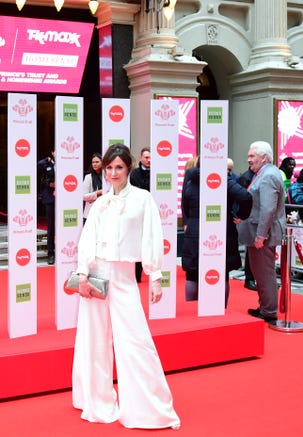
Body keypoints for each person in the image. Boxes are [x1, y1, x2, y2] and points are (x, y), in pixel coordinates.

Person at [72, 144, 180, 430]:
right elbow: (87, 238)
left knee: (135, 341)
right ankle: (97, 399)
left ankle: (149, 409)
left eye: (118, 167)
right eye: (108, 168)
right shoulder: (100, 203)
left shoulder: (143, 199)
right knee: (94, 341)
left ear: (129, 168)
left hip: (123, 277)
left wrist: (155, 275)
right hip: (96, 275)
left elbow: (152, 237)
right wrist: (82, 273)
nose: (113, 173)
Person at [181, 158, 252, 305]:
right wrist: (241, 215)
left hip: (195, 231)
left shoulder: (191, 180)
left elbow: (185, 203)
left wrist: (189, 221)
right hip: (221, 230)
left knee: (193, 275)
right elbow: (245, 197)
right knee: (221, 274)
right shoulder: (222, 180)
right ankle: (221, 312)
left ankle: (192, 313)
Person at [237, 141, 287, 323]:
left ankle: (269, 311)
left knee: (264, 273)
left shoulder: (268, 176)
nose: (248, 159)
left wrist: (260, 235)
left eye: (252, 156)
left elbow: (268, 209)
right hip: (259, 232)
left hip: (263, 235)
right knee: (260, 273)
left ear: (264, 157)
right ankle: (265, 307)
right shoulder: (264, 174)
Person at [129, 146, 151, 283]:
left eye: (151, 157)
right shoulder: (134, 174)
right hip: (137, 214)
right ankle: (136, 275)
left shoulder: (158, 173)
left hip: (152, 213)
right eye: (146, 157)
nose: (149, 160)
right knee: (136, 244)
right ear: (141, 158)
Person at [237, 168, 257, 290]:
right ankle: (249, 278)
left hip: (257, 217)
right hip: (250, 217)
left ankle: (255, 278)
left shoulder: (261, 175)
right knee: (251, 249)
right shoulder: (246, 177)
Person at [38, 150, 55, 265]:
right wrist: (47, 159)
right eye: (56, 151)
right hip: (50, 198)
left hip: (64, 200)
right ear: (53, 152)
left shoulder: (68, 164)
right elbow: (38, 166)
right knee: (51, 227)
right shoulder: (47, 164)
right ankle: (50, 253)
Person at [82, 152, 103, 222]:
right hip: (90, 214)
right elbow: (84, 196)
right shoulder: (88, 177)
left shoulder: (107, 177)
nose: (94, 164)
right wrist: (97, 193)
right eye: (93, 162)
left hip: (104, 213)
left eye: (97, 162)